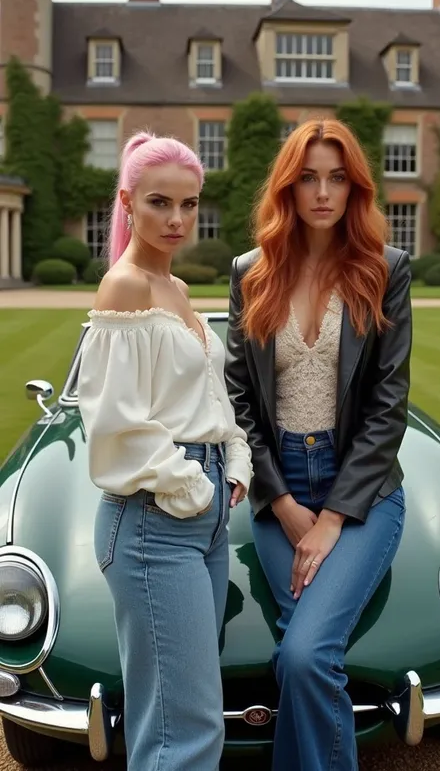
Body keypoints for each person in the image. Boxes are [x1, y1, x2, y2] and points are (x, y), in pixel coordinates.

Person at [224, 118, 411, 771]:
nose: (323, 192)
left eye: (337, 177)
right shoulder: (251, 272)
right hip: (283, 494)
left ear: (354, 188)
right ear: (289, 187)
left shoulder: (386, 270)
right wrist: (280, 503)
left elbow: (389, 409)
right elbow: (239, 399)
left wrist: (331, 517)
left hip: (360, 494)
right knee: (301, 656)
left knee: (303, 656)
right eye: (308, 178)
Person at [77, 131, 253, 771]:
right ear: (126, 202)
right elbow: (119, 425)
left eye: (189, 203)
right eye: (159, 203)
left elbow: (206, 398)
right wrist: (192, 483)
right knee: (187, 729)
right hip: (155, 519)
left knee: (180, 717)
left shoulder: (175, 288)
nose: (178, 220)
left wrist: (232, 457)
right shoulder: (125, 288)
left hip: (198, 517)